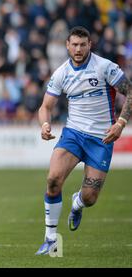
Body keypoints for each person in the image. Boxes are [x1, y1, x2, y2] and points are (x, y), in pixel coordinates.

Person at [35, 26, 132, 255]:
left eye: (82, 45)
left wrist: (120, 124)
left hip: (101, 139)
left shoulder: (105, 67)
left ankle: (77, 203)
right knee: (53, 180)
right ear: (67, 46)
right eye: (74, 45)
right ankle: (50, 239)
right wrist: (45, 124)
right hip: (74, 135)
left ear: (90, 45)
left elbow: (130, 92)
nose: (78, 49)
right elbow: (45, 107)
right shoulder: (61, 73)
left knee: (90, 198)